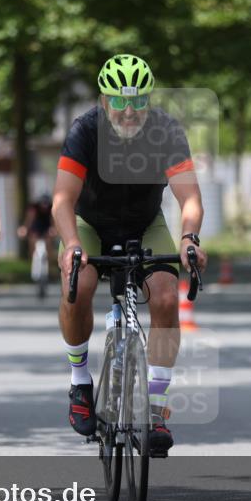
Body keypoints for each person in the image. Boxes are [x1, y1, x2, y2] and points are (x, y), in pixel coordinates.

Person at [54, 54, 207, 455]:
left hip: (144, 223)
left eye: (137, 101)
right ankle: (80, 381)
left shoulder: (165, 130)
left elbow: (189, 196)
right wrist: (71, 244)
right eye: (118, 101)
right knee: (78, 285)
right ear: (103, 100)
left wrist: (189, 238)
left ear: (148, 100)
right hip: (90, 224)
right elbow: (61, 201)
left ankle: (155, 410)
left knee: (166, 295)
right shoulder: (85, 131)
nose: (127, 111)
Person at [18, 192, 56, 266]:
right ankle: (33, 260)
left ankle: (49, 263)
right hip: (36, 226)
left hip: (46, 227)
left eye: (46, 204)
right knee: (32, 240)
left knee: (49, 242)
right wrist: (24, 229)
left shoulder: (51, 209)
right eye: (43, 204)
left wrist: (54, 229)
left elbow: (53, 221)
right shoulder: (34, 208)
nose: (44, 207)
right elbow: (29, 220)